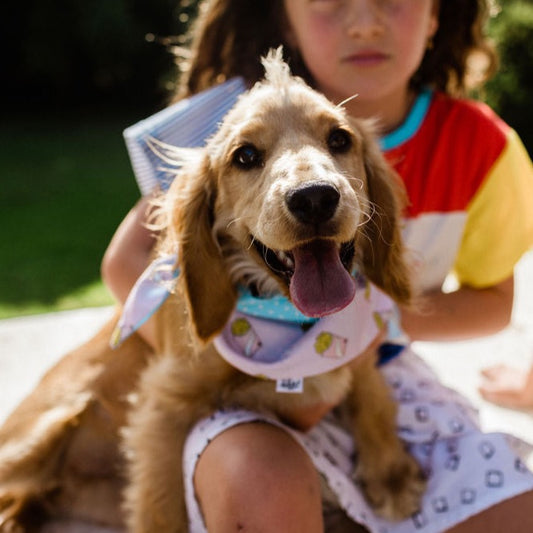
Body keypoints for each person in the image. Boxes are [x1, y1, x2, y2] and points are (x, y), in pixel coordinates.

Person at [103, 0, 533, 531]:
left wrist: (366, 326)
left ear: (437, 13)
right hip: (238, 382)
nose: (365, 21)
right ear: (284, 18)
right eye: (329, 1)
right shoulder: (215, 119)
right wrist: (215, 353)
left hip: (375, 367)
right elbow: (124, 265)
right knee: (259, 478)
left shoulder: (479, 145)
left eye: (336, 142)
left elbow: (492, 303)